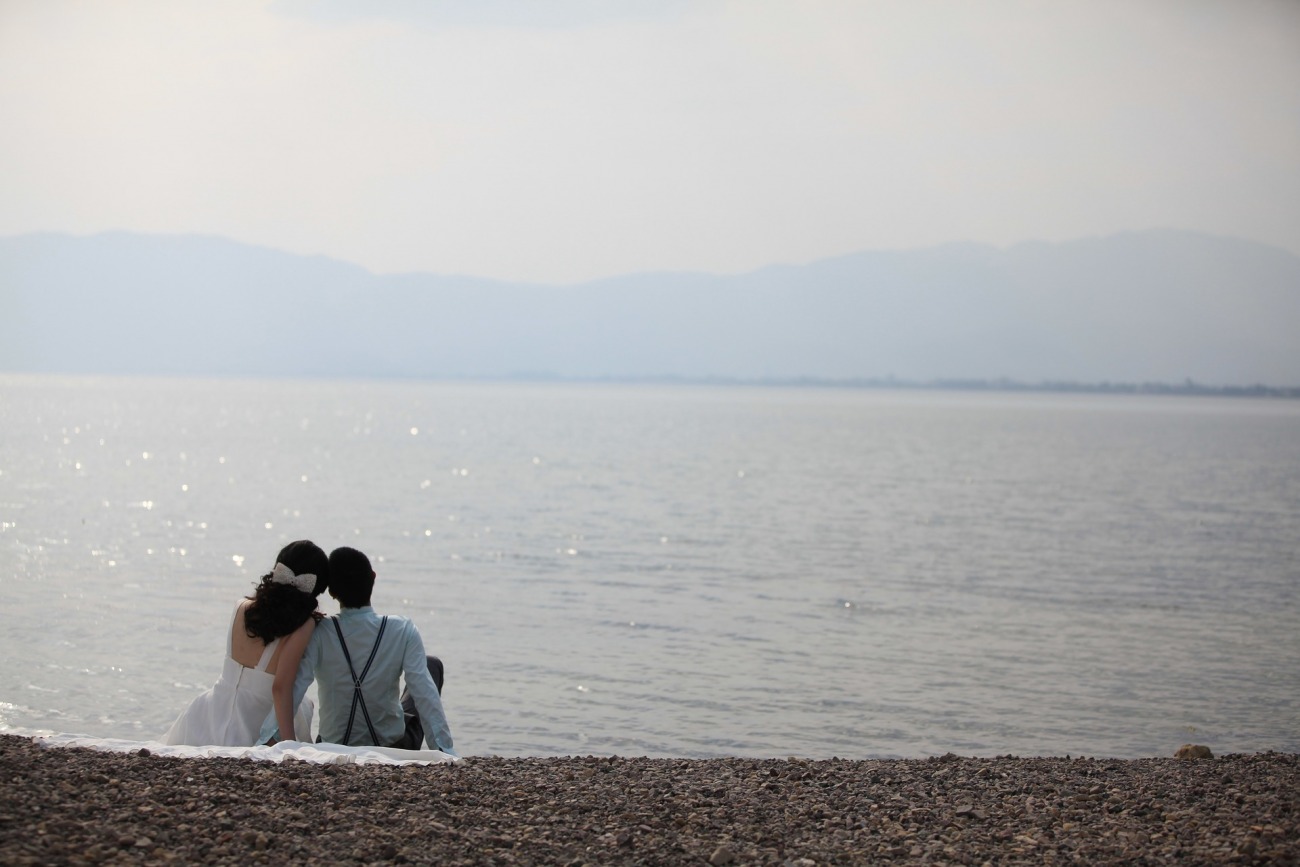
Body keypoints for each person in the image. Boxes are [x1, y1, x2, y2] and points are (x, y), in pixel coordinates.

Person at [261, 546, 455, 754]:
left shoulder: (319, 632)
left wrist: (268, 740)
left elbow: (296, 687)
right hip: (392, 746)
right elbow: (425, 695)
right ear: (373, 577)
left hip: (332, 746)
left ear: (332, 591)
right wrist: (445, 753)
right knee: (430, 665)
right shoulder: (402, 629)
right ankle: (441, 747)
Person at [160, 540, 327, 747]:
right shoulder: (304, 625)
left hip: (208, 714)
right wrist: (288, 745)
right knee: (303, 705)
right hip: (253, 720)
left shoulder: (242, 606)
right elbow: (281, 687)